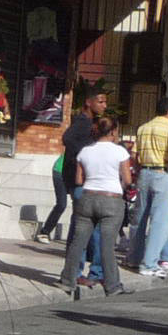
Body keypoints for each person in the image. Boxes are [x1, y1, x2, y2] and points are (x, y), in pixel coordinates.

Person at [63, 116, 133, 301]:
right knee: (107, 245)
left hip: (87, 197)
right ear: (112, 132)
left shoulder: (85, 151)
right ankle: (112, 285)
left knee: (78, 242)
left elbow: (79, 180)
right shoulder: (120, 152)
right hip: (111, 199)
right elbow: (127, 180)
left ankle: (67, 279)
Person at [37, 86, 105, 243]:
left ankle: (78, 249)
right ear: (89, 102)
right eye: (100, 101)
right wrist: (82, 156)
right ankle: (46, 232)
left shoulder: (92, 123)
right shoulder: (82, 121)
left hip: (78, 175)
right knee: (62, 205)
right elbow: (67, 138)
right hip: (63, 172)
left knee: (79, 215)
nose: (104, 106)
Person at [125, 98, 168, 278]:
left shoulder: (143, 127)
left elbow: (135, 155)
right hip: (162, 173)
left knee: (140, 218)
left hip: (144, 173)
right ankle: (149, 263)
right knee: (160, 221)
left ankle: (133, 258)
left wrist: (138, 169)